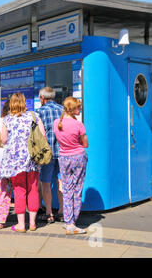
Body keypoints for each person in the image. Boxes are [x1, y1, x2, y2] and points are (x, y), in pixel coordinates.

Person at [0, 93, 46, 233]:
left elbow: (3, 140)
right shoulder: (34, 116)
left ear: (12, 103)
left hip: (15, 161)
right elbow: (43, 135)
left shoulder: (6, 120)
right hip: (32, 159)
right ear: (25, 102)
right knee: (33, 189)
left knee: (19, 190)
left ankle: (21, 224)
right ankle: (32, 223)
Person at [54, 97, 89, 235]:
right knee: (77, 189)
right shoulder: (78, 125)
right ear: (72, 109)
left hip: (63, 158)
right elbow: (85, 144)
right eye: (78, 107)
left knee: (67, 189)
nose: (80, 109)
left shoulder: (57, 122)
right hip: (78, 157)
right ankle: (73, 222)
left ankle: (68, 221)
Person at [35, 86, 64, 224]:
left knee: (46, 183)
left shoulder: (39, 112)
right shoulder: (62, 110)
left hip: (47, 153)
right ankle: (62, 212)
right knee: (61, 181)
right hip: (63, 151)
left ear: (42, 98)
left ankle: (49, 213)